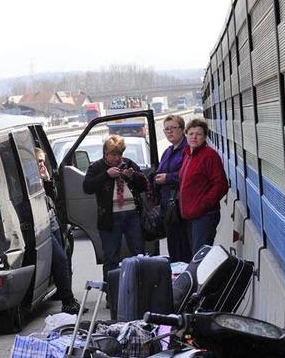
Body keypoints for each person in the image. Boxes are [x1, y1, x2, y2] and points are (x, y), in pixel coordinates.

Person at [82, 135, 148, 281]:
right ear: (105, 154)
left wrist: (132, 176)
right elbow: (87, 187)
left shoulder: (128, 163)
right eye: (113, 154)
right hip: (109, 217)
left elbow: (144, 185)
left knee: (139, 253)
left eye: (120, 154)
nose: (117, 158)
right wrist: (106, 175)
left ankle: (141, 287)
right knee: (111, 257)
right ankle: (111, 290)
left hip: (132, 214)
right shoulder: (97, 167)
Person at [35, 148, 81, 314]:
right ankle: (67, 300)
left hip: (52, 220)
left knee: (64, 258)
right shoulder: (28, 180)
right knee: (59, 259)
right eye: (38, 161)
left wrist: (47, 181)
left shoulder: (43, 176)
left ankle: (68, 297)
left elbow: (52, 197)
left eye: (43, 161)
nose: (42, 165)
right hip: (41, 225)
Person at [179, 118, 228, 252]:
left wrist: (203, 204)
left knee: (200, 257)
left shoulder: (209, 155)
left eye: (198, 134)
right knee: (194, 256)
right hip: (189, 216)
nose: (194, 137)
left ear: (205, 136)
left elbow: (221, 184)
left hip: (204, 216)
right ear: (186, 135)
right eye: (191, 133)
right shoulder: (187, 155)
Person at [153, 114, 190, 262]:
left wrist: (168, 178)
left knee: (184, 248)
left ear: (182, 129)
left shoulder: (188, 149)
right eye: (166, 129)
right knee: (173, 248)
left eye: (172, 128)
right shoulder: (167, 151)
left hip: (181, 206)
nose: (169, 132)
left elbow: (188, 174)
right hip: (168, 208)